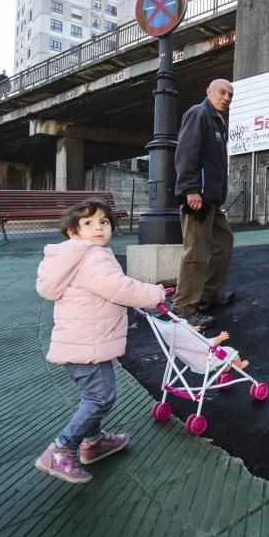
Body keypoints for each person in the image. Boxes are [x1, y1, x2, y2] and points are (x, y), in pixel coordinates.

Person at [34, 199, 166, 485]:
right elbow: (119, 288)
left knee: (93, 395)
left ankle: (92, 442)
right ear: (73, 232)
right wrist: (155, 293)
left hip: (77, 343)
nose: (98, 228)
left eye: (104, 222)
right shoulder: (93, 256)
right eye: (89, 223)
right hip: (87, 344)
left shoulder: (70, 258)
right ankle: (61, 448)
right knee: (100, 397)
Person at [172, 79, 237, 328]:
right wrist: (190, 188)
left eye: (230, 94)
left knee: (223, 241)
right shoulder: (198, 114)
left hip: (212, 200)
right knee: (196, 252)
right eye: (222, 92)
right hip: (197, 197)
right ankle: (184, 307)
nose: (227, 97)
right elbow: (186, 152)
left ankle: (208, 294)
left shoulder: (218, 121)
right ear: (208, 92)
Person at [152, 321, 250, 374]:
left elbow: (186, 334)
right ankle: (239, 366)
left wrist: (192, 329)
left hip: (195, 362)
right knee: (230, 351)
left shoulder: (180, 344)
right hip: (207, 361)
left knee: (218, 355)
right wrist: (220, 338)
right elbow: (208, 345)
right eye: (189, 327)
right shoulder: (194, 342)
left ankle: (223, 369)